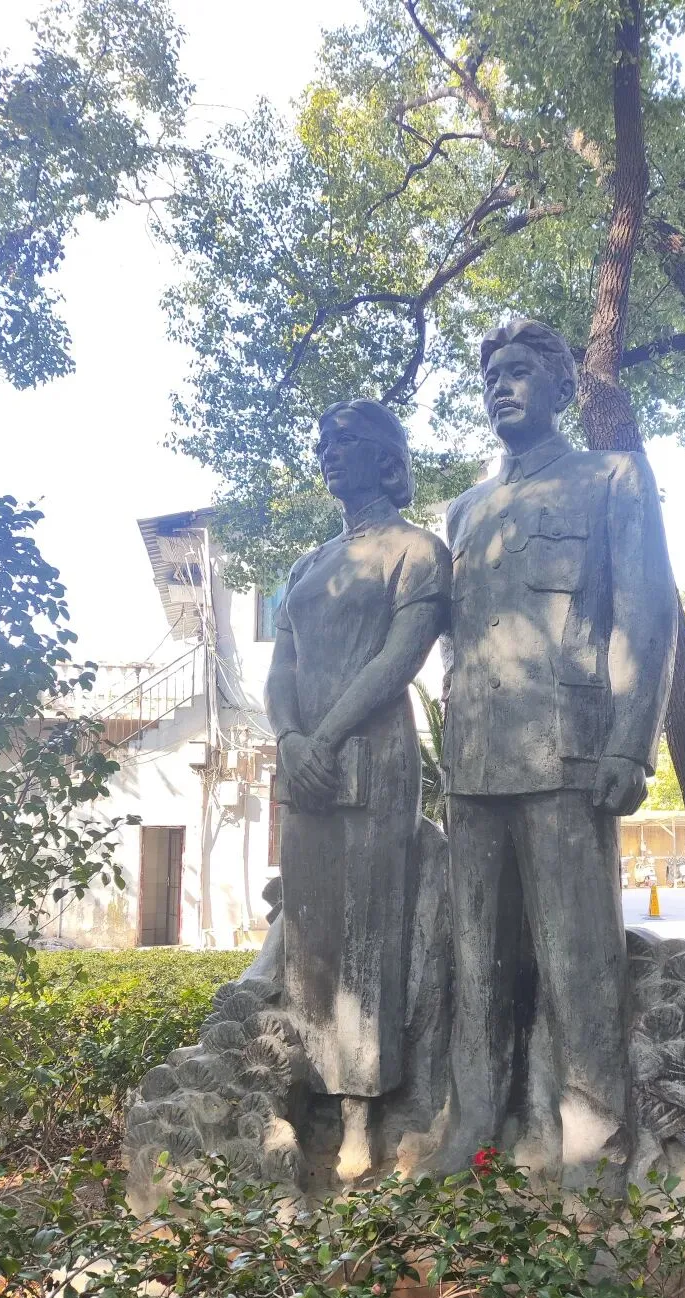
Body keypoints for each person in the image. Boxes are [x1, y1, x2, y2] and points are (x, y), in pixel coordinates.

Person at [438, 318, 677, 1184]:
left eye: (519, 371)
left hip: (569, 755)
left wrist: (631, 746)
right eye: (490, 376)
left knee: (578, 961)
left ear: (563, 388)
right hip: (472, 761)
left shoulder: (612, 478)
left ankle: (594, 1141)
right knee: (476, 960)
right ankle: (474, 1125)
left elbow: (647, 612)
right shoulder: (464, 511)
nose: (501, 386)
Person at [264, 399, 451, 1183]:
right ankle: (301, 1093)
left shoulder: (417, 551)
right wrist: (290, 741)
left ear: (385, 457)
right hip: (304, 767)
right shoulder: (306, 566)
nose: (329, 452)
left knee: (370, 935)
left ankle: (360, 1116)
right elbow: (281, 667)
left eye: (346, 440)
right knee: (310, 940)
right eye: (322, 441)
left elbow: (398, 660)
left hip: (374, 758)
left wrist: (328, 737)